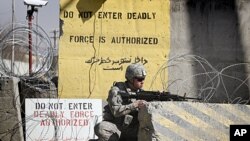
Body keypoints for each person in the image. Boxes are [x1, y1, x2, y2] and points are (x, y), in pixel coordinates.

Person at [94, 63, 147, 141]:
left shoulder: (143, 93)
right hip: (116, 126)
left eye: (143, 79)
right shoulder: (117, 90)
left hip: (131, 129)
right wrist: (135, 105)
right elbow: (116, 112)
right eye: (139, 79)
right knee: (101, 128)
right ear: (131, 78)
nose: (142, 81)